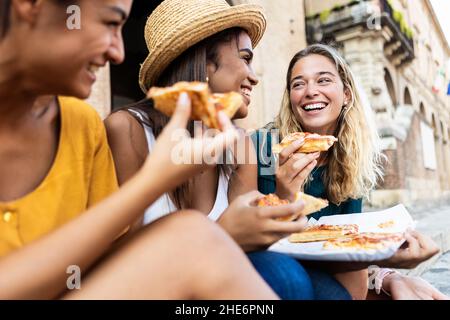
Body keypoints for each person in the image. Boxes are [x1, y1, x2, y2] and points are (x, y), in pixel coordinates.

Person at [0, 0, 278, 299]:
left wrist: (285, 192)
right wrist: (156, 182)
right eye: (110, 23)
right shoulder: (122, 130)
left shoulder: (83, 126)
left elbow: (108, 264)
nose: (118, 53)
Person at [106, 0, 351, 300]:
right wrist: (220, 235)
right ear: (205, 64)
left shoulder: (239, 145)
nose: (254, 76)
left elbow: (252, 246)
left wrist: (285, 195)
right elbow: (121, 266)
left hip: (222, 285)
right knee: (287, 279)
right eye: (245, 58)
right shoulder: (127, 131)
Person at [253, 43, 448, 300]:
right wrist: (284, 193)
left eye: (323, 80)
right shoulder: (267, 146)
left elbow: (346, 245)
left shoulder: (349, 156)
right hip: (269, 262)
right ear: (290, 97)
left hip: (330, 267)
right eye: (298, 84)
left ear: (346, 94)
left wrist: (384, 270)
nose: (311, 91)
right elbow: (250, 236)